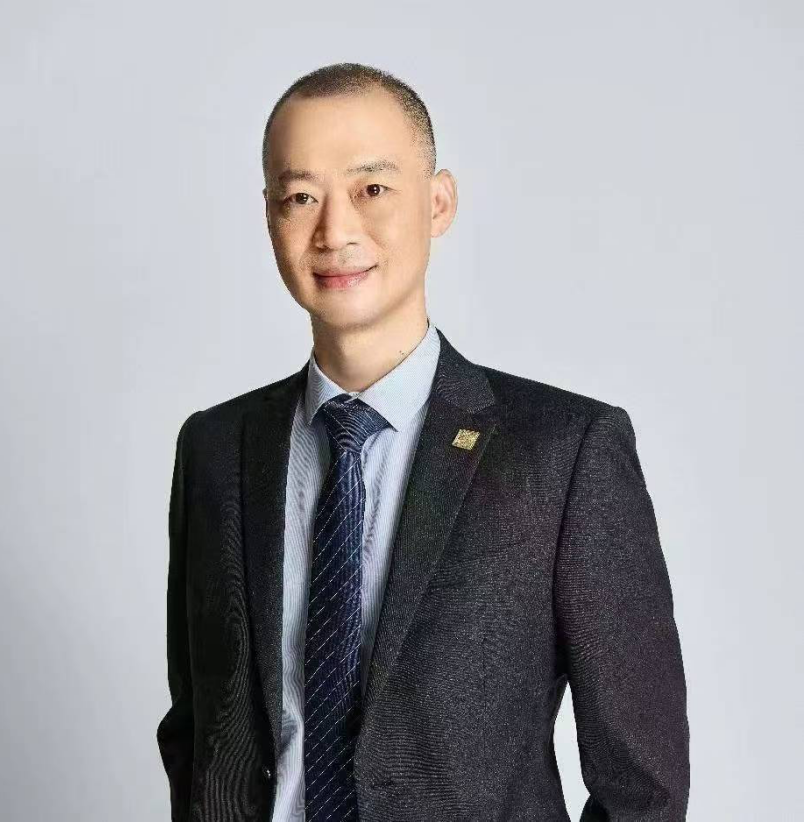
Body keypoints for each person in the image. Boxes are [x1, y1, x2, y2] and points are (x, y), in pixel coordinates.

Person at [156, 62, 690, 822]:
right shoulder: (216, 450)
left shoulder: (563, 453)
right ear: (270, 215)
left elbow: (644, 789)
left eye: (372, 189)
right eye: (300, 197)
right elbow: (198, 733)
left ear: (439, 203)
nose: (335, 231)